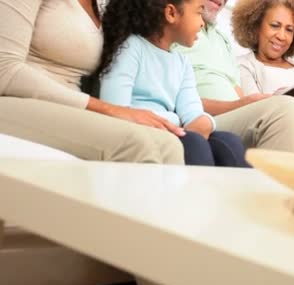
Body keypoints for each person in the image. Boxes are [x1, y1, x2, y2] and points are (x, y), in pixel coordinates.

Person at [0, 0, 185, 164]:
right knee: (134, 144)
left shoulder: (102, 5)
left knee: (169, 146)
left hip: (70, 103)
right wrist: (109, 109)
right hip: (14, 97)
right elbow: (5, 69)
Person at [174, 0, 294, 155]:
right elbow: (178, 99)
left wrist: (248, 103)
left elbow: (239, 94)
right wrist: (248, 104)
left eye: (289, 29)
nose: (281, 35)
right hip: (208, 118)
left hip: (240, 116)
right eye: (275, 26)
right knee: (289, 109)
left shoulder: (221, 39)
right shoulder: (177, 32)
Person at [98, 0, 248, 167]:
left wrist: (204, 121)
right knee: (194, 143)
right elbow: (115, 108)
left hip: (172, 129)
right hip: (140, 130)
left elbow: (192, 110)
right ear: (171, 14)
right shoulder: (131, 48)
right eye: (199, 12)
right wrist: (175, 122)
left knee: (229, 142)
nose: (201, 23)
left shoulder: (181, 62)